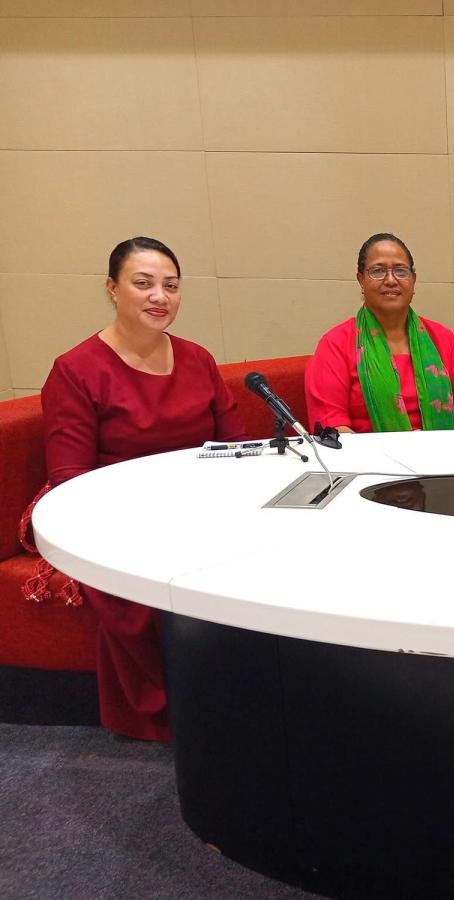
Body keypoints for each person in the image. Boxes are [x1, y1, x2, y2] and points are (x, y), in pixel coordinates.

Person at [39, 236, 247, 741]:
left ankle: (250, 697)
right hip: (109, 511)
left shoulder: (197, 359)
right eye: (144, 283)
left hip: (197, 505)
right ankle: (173, 710)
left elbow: (239, 447)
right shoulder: (77, 370)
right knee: (154, 573)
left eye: (171, 286)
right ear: (112, 289)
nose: (160, 297)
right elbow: (70, 479)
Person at [305, 233, 454, 433]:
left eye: (401, 271)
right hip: (366, 462)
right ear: (361, 280)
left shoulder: (442, 338)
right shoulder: (336, 344)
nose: (391, 280)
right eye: (378, 271)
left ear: (413, 280)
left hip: (442, 460)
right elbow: (333, 428)